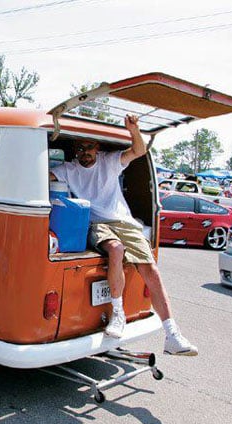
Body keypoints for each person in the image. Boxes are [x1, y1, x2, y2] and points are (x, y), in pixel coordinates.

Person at [50, 114, 198, 356]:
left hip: (124, 221)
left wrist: (134, 130)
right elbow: (42, 177)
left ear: (96, 148)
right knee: (116, 250)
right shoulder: (69, 169)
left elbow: (138, 150)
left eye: (88, 147)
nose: (84, 152)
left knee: (150, 268)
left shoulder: (110, 161)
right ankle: (117, 315)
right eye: (79, 148)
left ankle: (172, 334)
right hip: (97, 223)